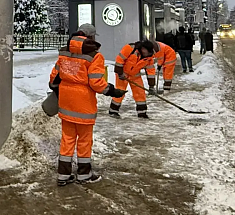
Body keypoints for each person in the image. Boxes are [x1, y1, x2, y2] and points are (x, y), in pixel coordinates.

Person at [49, 23, 126, 186]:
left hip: (66, 101)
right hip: (83, 103)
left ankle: (63, 174)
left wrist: (58, 90)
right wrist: (111, 91)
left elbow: (54, 77)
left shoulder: (64, 51)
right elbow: (96, 83)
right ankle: (84, 174)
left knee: (67, 138)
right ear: (90, 37)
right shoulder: (94, 56)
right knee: (84, 139)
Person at [109, 39, 156, 119]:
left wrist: (151, 85)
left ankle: (142, 113)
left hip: (135, 76)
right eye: (145, 51)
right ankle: (113, 111)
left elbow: (150, 72)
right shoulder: (130, 48)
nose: (146, 53)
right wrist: (120, 73)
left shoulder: (149, 58)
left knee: (140, 93)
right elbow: (119, 60)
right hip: (123, 74)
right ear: (143, 48)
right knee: (120, 92)